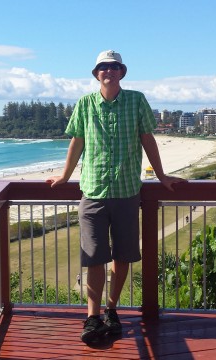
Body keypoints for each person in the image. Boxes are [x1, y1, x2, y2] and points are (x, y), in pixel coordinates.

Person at [46, 50, 185, 344]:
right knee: (94, 258)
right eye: (103, 67)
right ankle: (92, 317)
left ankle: (112, 310)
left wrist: (161, 176)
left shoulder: (136, 100)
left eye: (114, 66)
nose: (108, 71)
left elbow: (148, 139)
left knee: (122, 257)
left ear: (122, 72)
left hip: (126, 193)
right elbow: (77, 141)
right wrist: (65, 176)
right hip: (93, 192)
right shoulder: (85, 104)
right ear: (96, 74)